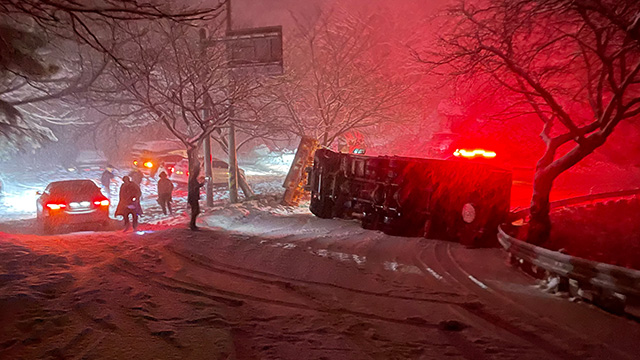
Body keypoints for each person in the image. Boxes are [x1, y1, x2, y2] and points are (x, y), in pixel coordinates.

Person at [187, 162, 205, 230]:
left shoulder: (192, 179)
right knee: (196, 211)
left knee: (196, 211)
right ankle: (192, 225)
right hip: (193, 198)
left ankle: (192, 224)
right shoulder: (193, 179)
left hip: (193, 197)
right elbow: (195, 187)